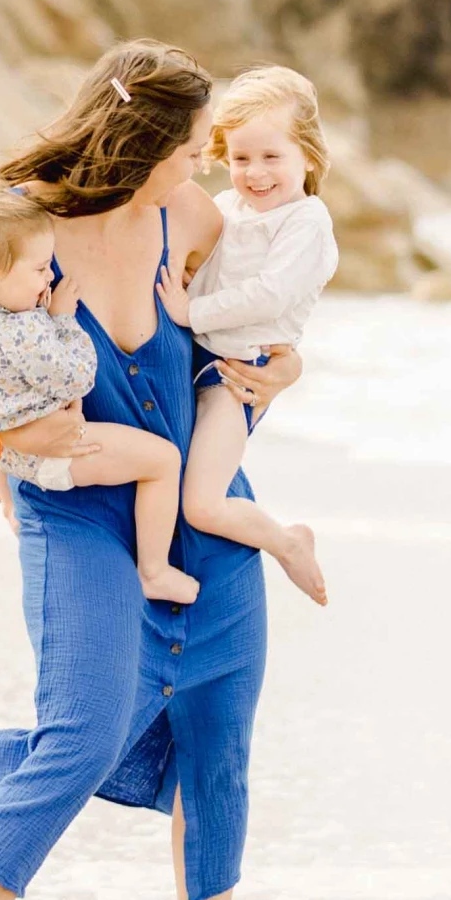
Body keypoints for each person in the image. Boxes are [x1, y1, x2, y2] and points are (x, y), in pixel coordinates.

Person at [0, 40, 304, 900]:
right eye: (196, 144)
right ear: (148, 140)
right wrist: (1, 433)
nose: (208, 163)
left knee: (218, 743)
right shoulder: (19, 217)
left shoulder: (190, 217)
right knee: (81, 733)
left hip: (195, 500)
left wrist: (283, 373)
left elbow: (245, 341)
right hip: (75, 506)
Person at [0, 179, 198, 603]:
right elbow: (79, 376)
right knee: (162, 460)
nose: (49, 277)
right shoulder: (21, 333)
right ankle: (155, 570)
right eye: (41, 268)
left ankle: (8, 501)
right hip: (50, 453)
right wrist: (62, 318)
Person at [179, 65, 338, 607]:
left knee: (201, 503)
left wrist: (190, 310)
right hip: (195, 358)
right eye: (242, 158)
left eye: (273, 157)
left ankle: (286, 541)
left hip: (236, 376)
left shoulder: (306, 221)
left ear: (308, 157)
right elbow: (201, 264)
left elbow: (269, 294)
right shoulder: (226, 207)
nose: (255, 172)